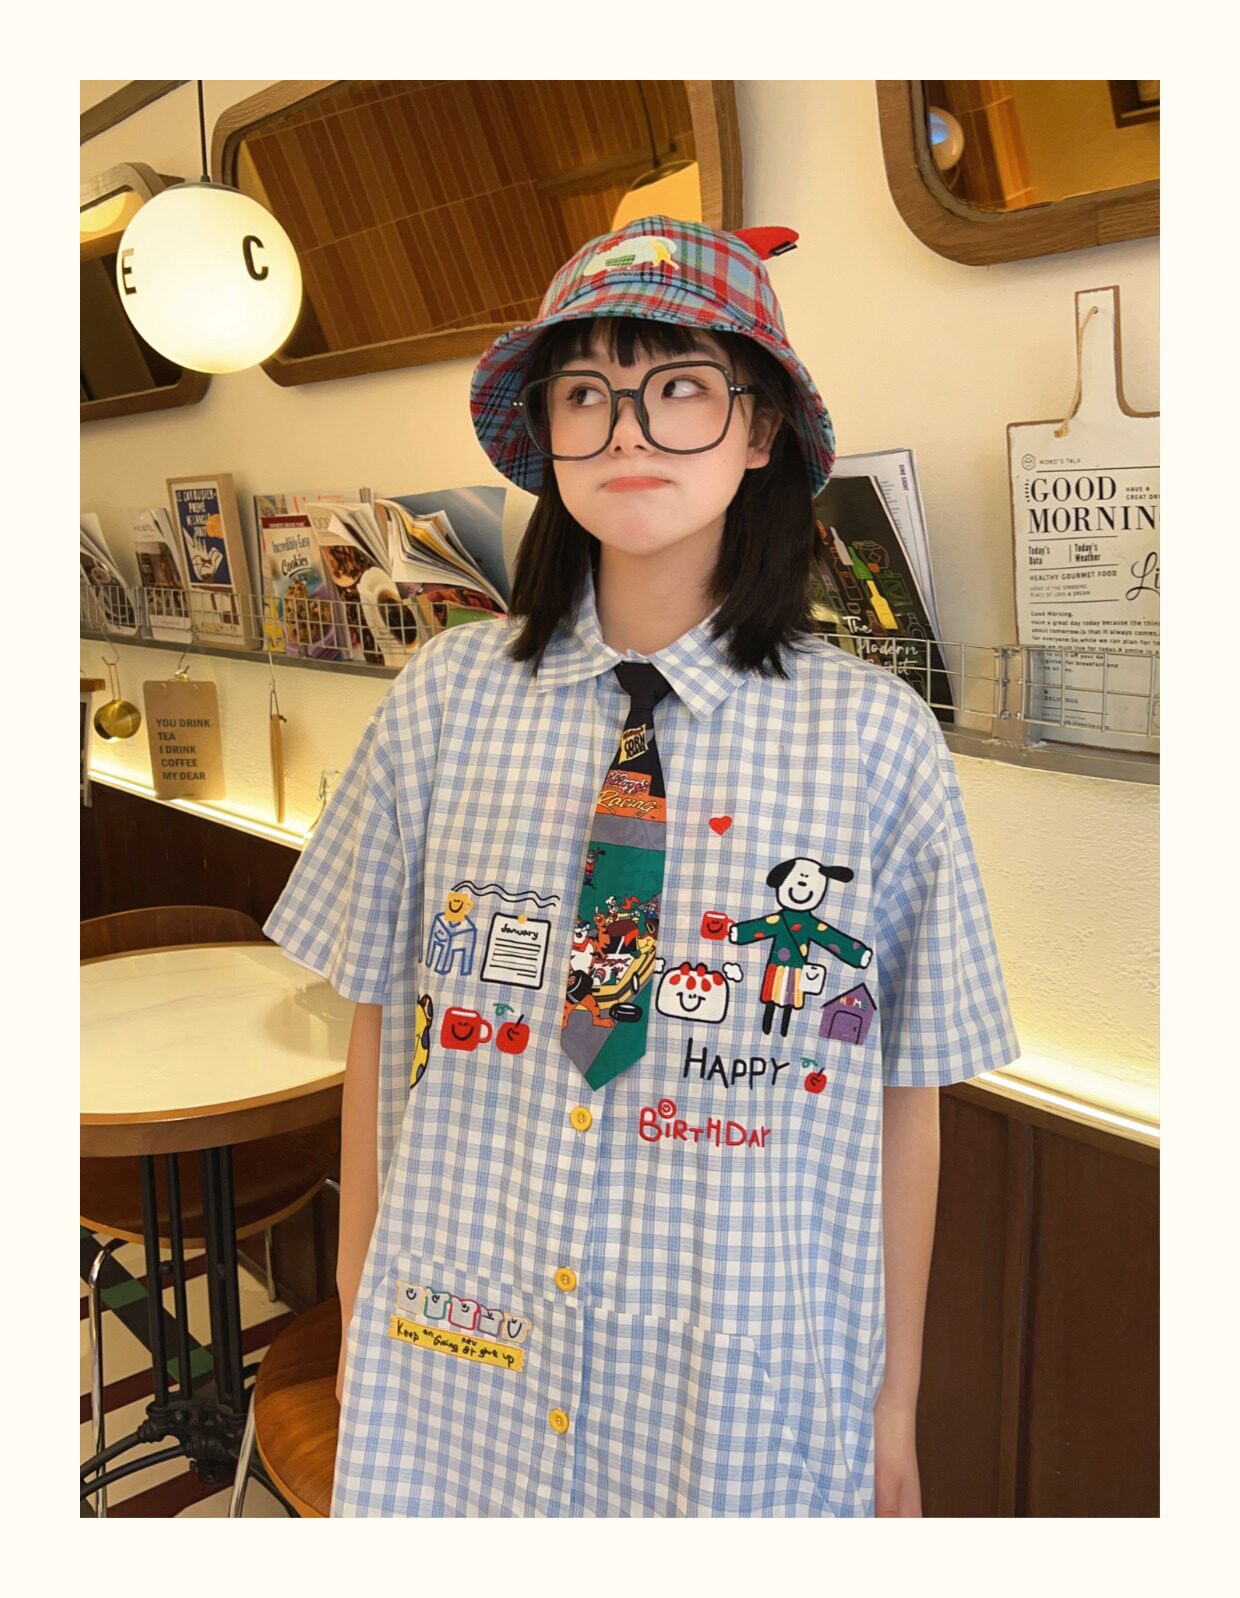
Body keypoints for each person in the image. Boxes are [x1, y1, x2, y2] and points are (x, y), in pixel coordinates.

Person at [264, 214, 1021, 1517]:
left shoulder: (874, 740)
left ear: (760, 427)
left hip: (730, 1390)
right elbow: (380, 1017)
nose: (629, 430)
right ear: (548, 429)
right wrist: (354, 1293)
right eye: (587, 392)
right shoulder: (442, 699)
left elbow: (906, 1094)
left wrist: (892, 1406)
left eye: (679, 387)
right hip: (460, 1357)